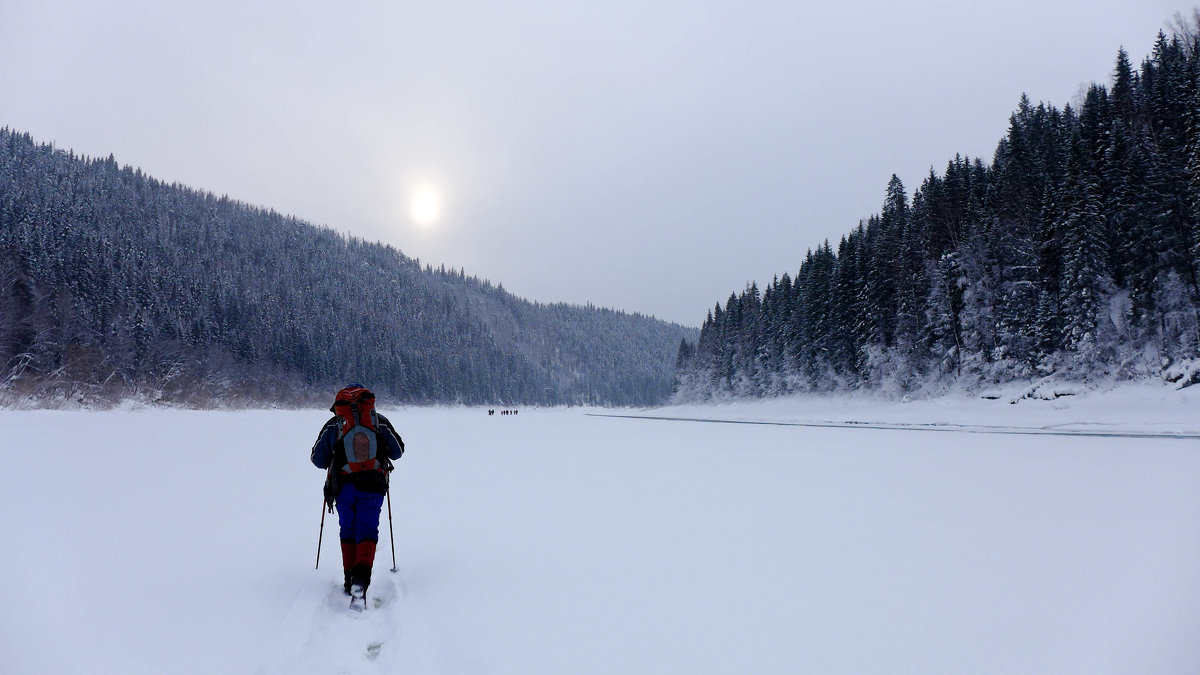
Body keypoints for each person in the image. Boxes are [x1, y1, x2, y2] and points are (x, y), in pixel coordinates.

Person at [310, 384, 405, 596]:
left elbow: (317, 460)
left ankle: (348, 579)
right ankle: (360, 581)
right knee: (368, 530)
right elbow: (398, 451)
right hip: (373, 484)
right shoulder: (378, 420)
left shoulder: (335, 423)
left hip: (343, 486)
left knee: (348, 530)